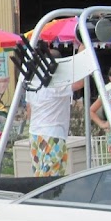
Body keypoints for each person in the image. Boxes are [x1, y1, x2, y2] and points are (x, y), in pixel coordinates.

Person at [26, 48, 84, 177]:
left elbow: (29, 110)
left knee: (39, 172)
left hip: (35, 133)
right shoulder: (56, 83)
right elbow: (80, 83)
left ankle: (37, 196)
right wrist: (82, 54)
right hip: (53, 134)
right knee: (52, 175)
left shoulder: (33, 82)